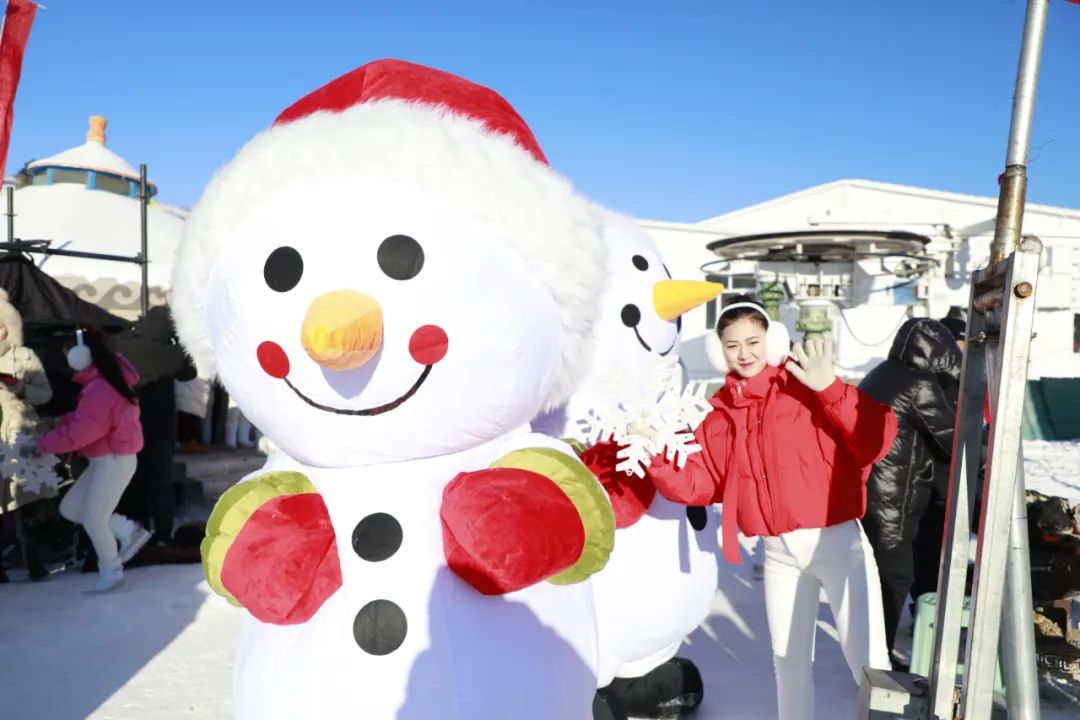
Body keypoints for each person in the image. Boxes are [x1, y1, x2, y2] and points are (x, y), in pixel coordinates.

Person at [651, 295, 897, 720]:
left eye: (753, 341)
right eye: (732, 345)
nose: (744, 353)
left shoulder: (807, 390)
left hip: (836, 543)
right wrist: (656, 451)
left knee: (870, 662)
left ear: (773, 340)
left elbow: (874, 439)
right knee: (789, 663)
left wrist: (832, 389)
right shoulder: (718, 415)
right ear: (718, 350)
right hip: (779, 554)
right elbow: (703, 481)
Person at [857, 318, 961, 664]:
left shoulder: (880, 374)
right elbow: (954, 441)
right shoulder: (920, 386)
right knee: (895, 578)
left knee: (876, 578)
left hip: (869, 493)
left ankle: (868, 651)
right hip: (894, 499)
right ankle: (878, 660)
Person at [39, 325, 146, 592]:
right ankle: (127, 530)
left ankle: (112, 573)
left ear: (81, 354)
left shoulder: (100, 387)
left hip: (113, 460)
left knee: (94, 519)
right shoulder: (100, 383)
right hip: (106, 460)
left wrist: (45, 442)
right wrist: (60, 423)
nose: (66, 358)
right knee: (71, 509)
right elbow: (86, 420)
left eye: (67, 352)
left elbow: (83, 431)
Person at [115, 306, 196, 546]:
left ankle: (135, 532)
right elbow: (189, 371)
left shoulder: (121, 344)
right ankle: (162, 534)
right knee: (160, 481)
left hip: (127, 426)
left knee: (131, 480)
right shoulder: (169, 354)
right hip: (160, 427)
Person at [0, 289, 60, 581]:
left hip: (22, 435)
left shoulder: (25, 357)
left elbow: (46, 394)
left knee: (26, 503)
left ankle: (33, 562)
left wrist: (21, 389)